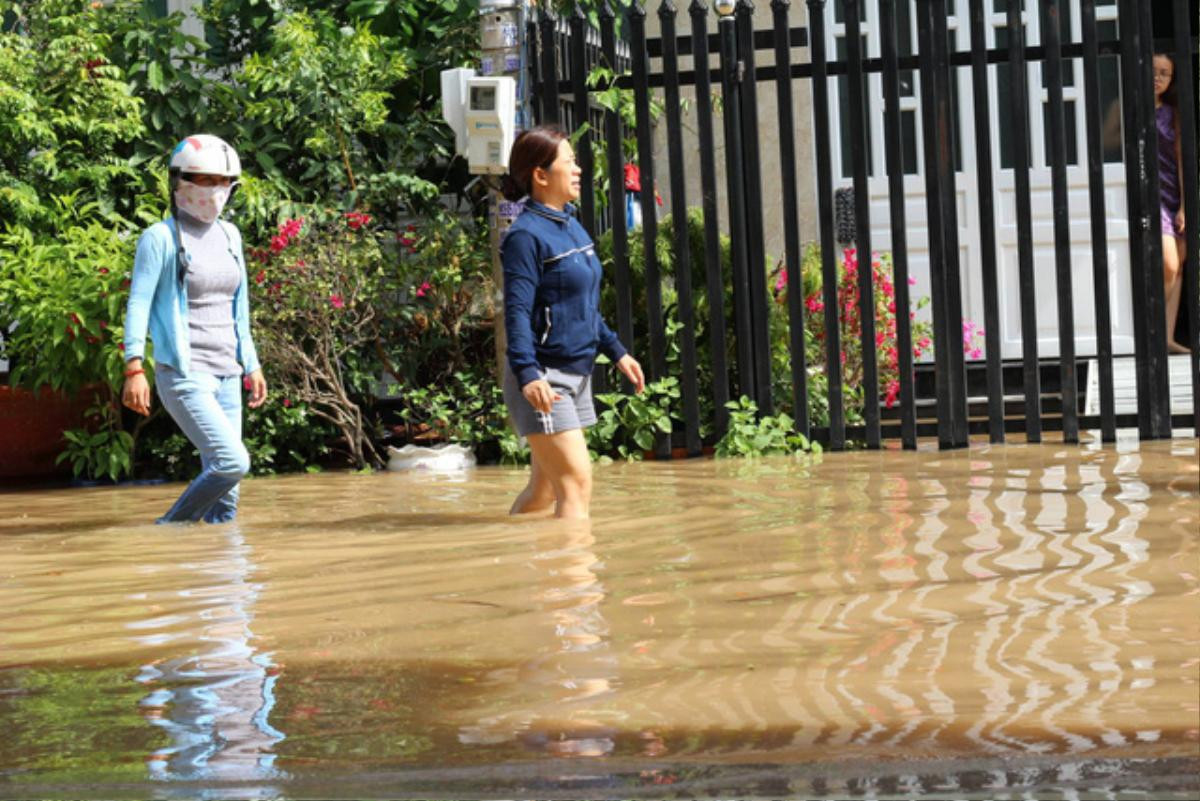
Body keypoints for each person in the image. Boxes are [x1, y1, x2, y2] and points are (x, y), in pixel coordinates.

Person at [499, 125, 644, 520]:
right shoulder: (525, 237)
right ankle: (576, 582)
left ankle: (522, 568)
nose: (578, 169)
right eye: (569, 161)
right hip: (545, 379)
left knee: (544, 491)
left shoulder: (570, 224)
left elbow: (580, 305)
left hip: (575, 372)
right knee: (575, 485)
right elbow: (516, 312)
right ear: (540, 175)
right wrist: (529, 374)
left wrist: (616, 351)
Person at [122, 134, 267, 523]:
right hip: (186, 375)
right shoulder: (160, 238)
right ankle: (169, 529)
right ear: (180, 181)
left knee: (227, 501)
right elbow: (139, 302)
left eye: (223, 182)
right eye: (204, 180)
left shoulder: (229, 235)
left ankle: (221, 576)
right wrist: (134, 366)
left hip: (228, 374)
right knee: (232, 462)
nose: (215, 190)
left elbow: (239, 305)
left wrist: (251, 363)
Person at [1154, 53, 1189, 354]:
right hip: (1149, 196)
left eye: (1165, 73)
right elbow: (1109, 142)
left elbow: (1180, 159)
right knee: (1169, 263)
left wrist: (1184, 206)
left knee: (1179, 266)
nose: (1158, 78)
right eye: (1153, 71)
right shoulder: (1128, 108)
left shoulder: (1173, 113)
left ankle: (1166, 336)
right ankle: (1150, 329)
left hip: (1173, 194)